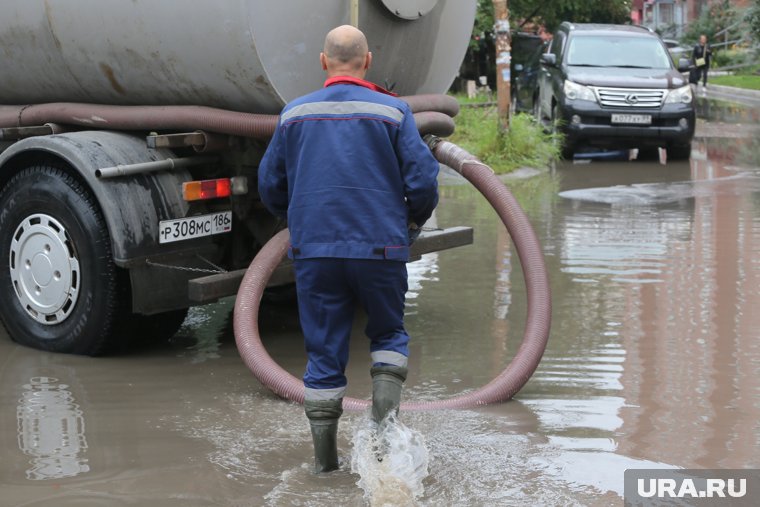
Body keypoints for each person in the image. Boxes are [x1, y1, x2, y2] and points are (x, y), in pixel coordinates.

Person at [257, 25, 439, 473]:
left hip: (315, 253)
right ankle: (381, 443)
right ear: (368, 61)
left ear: (323, 62)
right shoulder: (395, 112)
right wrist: (409, 223)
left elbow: (269, 186)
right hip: (381, 249)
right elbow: (424, 181)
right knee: (389, 336)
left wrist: (299, 221)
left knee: (322, 354)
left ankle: (324, 466)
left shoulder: (293, 114)